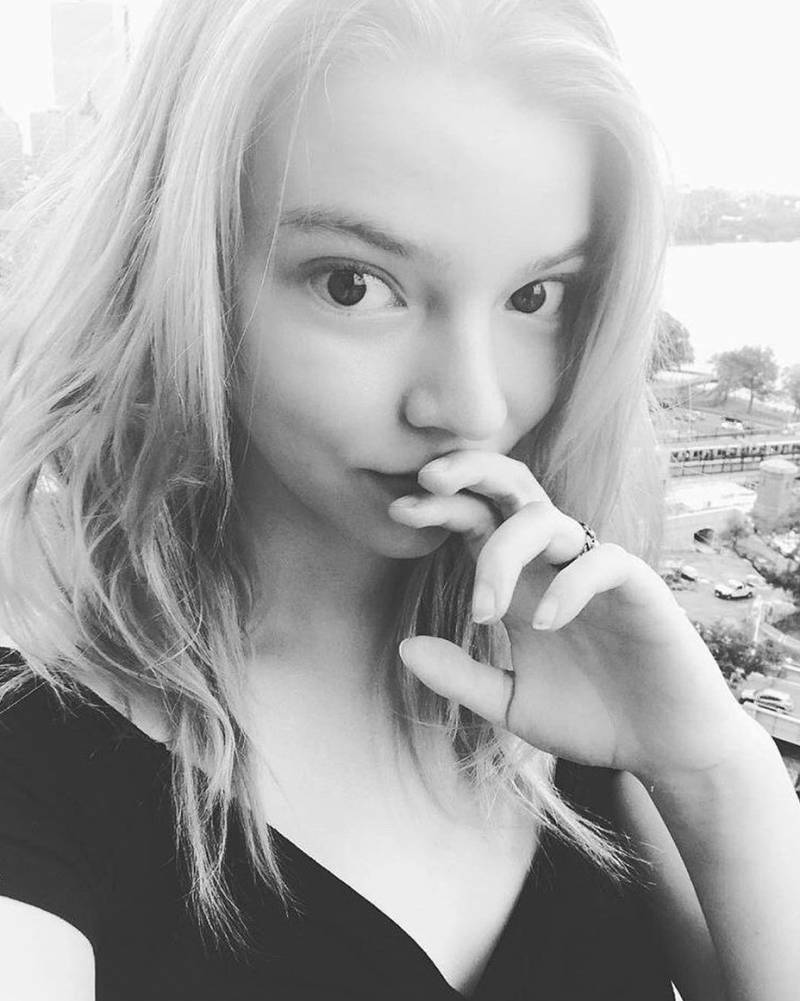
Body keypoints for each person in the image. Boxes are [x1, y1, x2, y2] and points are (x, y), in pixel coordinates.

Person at [0, 1, 798, 998]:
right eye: (352, 284)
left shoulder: (595, 698)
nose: (473, 405)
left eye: (535, 296)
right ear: (179, 271)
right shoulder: (34, 770)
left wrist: (712, 764)